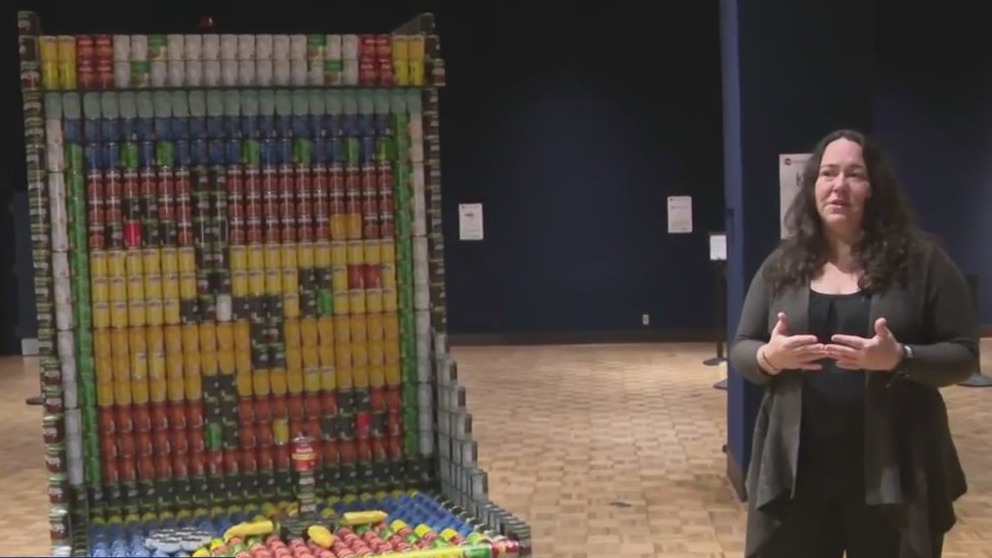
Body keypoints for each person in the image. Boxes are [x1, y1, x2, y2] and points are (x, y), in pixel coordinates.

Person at [729, 129, 978, 558]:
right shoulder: (784, 264)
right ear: (812, 186)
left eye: (854, 174)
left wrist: (901, 357)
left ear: (873, 187)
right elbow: (742, 348)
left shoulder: (923, 262)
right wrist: (769, 356)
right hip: (798, 472)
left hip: (893, 468)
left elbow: (963, 355)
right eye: (827, 173)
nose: (838, 185)